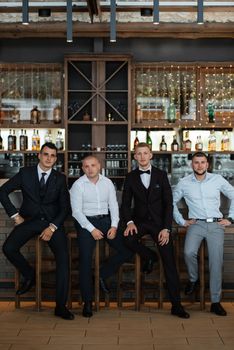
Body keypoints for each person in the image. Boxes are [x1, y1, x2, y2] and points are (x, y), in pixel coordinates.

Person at [0, 142, 74, 320]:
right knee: (8, 248)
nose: (49, 158)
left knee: (63, 260)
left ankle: (60, 306)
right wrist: (15, 216)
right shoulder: (25, 173)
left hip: (52, 223)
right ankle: (30, 275)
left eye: (53, 156)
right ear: (40, 155)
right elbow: (2, 191)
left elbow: (65, 208)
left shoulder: (60, 177)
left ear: (56, 159)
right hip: (30, 221)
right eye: (46, 154)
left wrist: (52, 227)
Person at [121, 142, 189, 318]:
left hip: (160, 225)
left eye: (145, 153)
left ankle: (176, 305)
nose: (142, 157)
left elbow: (168, 204)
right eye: (139, 154)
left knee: (170, 264)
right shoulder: (130, 177)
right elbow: (126, 204)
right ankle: (150, 256)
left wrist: (167, 228)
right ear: (134, 157)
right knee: (127, 239)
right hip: (140, 222)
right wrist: (129, 222)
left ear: (151, 155)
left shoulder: (160, 175)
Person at [70, 155, 132, 318]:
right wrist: (91, 229)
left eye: (93, 165)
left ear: (99, 166)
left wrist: (114, 225)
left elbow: (113, 205)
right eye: (86, 166)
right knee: (85, 261)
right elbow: (76, 212)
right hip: (85, 222)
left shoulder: (107, 182)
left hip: (105, 220)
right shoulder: (77, 185)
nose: (90, 169)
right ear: (82, 168)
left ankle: (101, 276)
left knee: (126, 251)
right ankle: (88, 303)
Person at [173, 151, 234, 316]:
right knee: (188, 252)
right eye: (196, 162)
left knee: (216, 262)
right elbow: (171, 201)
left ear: (207, 164)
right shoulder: (184, 183)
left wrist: (231, 218)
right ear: (191, 164)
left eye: (202, 162)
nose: (199, 165)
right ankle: (194, 279)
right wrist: (181, 221)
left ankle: (215, 302)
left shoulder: (217, 180)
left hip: (215, 225)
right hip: (196, 224)